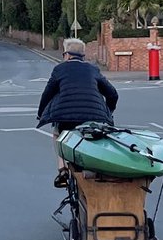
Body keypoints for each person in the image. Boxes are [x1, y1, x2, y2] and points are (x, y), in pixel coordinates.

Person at [36, 38, 119, 187]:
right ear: (83, 56)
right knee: (96, 136)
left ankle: (62, 169)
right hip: (94, 116)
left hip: (66, 118)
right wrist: (108, 112)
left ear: (67, 55)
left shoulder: (60, 69)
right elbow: (112, 94)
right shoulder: (93, 69)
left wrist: (40, 113)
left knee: (57, 135)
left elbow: (47, 94)